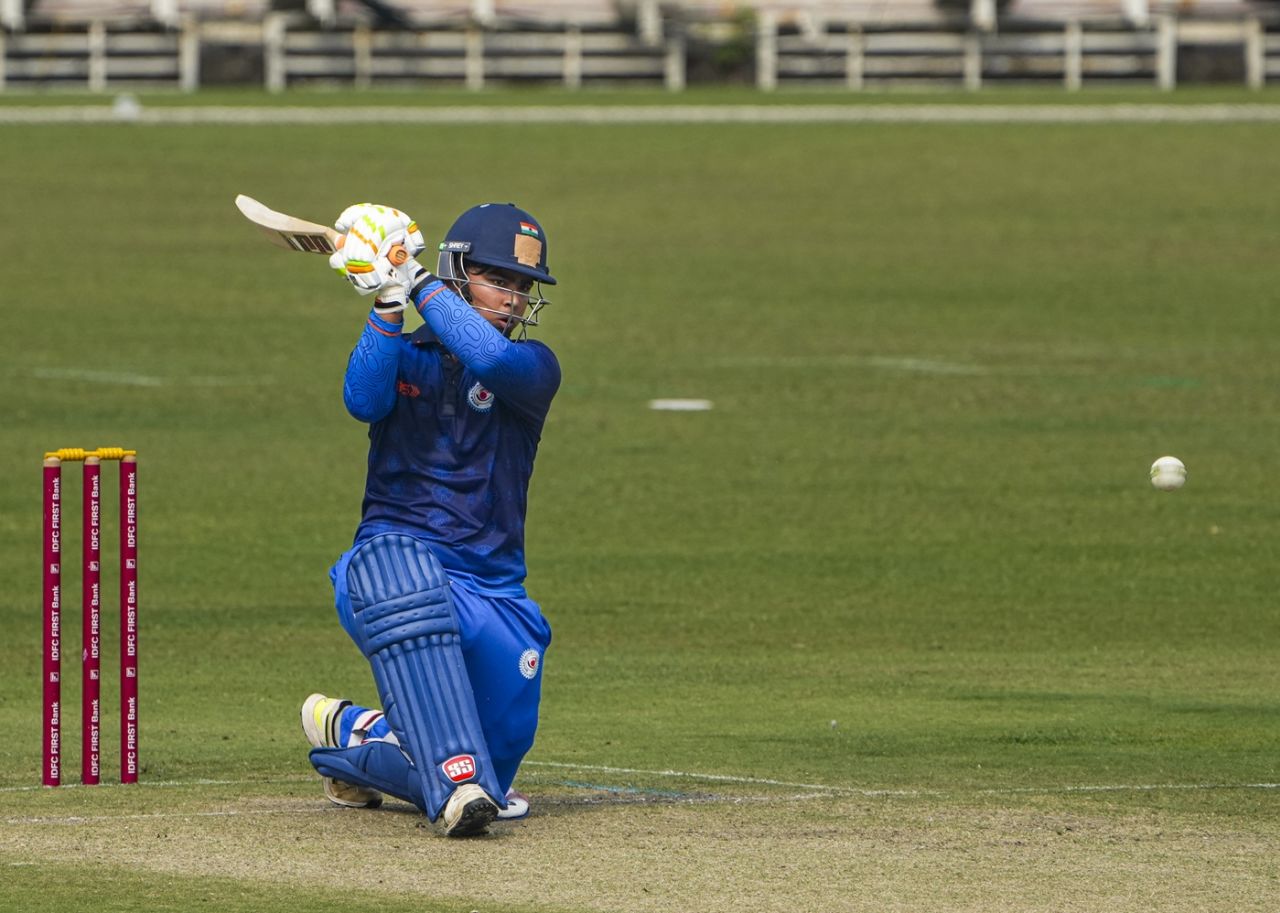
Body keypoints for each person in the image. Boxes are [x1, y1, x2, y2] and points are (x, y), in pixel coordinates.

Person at [299, 202, 559, 837]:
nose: (514, 297)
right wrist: (387, 300)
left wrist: (413, 279)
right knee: (403, 575)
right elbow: (362, 401)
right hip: (393, 572)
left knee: (488, 774)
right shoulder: (405, 354)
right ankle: (443, 774)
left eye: (523, 286)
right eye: (499, 279)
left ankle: (357, 736)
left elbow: (489, 361)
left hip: (494, 590)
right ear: (460, 273)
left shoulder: (532, 368)